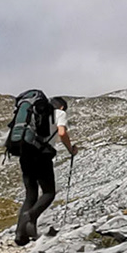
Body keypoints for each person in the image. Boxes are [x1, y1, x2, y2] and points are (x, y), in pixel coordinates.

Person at [6, 92, 78, 245]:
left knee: (30, 194)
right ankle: (30, 216)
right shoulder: (59, 113)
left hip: (25, 152)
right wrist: (71, 149)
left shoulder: (33, 112)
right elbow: (62, 132)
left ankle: (21, 236)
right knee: (48, 192)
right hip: (42, 155)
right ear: (63, 106)